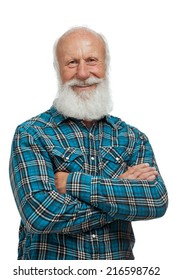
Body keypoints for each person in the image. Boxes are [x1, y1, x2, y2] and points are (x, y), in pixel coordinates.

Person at [9, 26, 168, 260]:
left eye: (92, 60)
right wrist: (121, 193)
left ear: (105, 66)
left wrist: (72, 183)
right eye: (71, 62)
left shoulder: (133, 137)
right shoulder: (32, 134)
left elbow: (156, 200)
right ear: (57, 70)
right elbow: (41, 215)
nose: (83, 73)